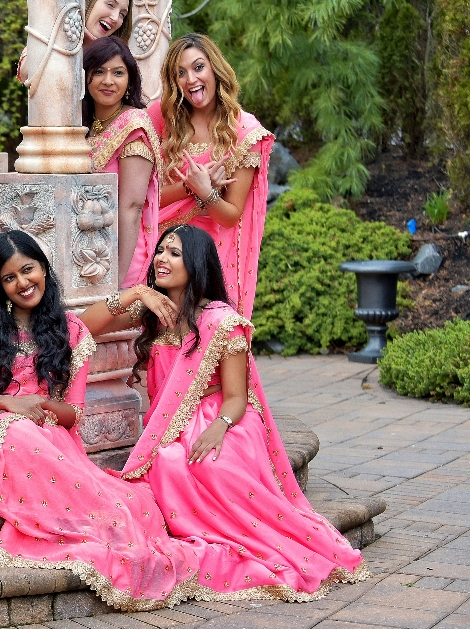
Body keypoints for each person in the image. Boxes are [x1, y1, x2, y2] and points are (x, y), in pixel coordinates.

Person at [82, 225, 368, 601]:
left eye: (175, 253)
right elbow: (84, 325)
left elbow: (237, 396)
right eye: (161, 251)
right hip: (170, 425)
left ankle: (247, 537)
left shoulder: (221, 321)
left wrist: (218, 428)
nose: (162, 260)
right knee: (168, 460)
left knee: (207, 465)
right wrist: (137, 293)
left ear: (197, 264)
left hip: (224, 416)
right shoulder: (154, 312)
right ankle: (200, 529)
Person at [0, 231, 199, 610]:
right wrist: (11, 405)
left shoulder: (71, 332)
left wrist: (38, 406)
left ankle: (106, 531)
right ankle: (93, 530)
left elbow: (72, 413)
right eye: (9, 278)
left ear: (43, 268)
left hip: (43, 428)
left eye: (28, 270)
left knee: (39, 441)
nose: (23, 283)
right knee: (20, 431)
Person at [149, 33, 273, 317]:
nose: (190, 79)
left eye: (198, 67)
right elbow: (141, 200)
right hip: (160, 248)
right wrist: (191, 188)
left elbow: (231, 215)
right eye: (180, 73)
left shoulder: (243, 131)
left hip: (211, 254)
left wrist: (207, 194)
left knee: (206, 336)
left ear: (215, 69)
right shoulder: (162, 118)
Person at [83, 36, 160, 287]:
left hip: (123, 256)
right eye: (99, 72)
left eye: (118, 72)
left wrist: (116, 277)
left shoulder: (134, 125)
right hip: (87, 251)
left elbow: (133, 206)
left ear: (129, 81)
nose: (108, 81)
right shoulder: (84, 127)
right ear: (85, 78)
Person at [18, 0, 132, 82]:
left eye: (122, 14)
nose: (115, 18)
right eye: (110, 5)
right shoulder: (52, 35)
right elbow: (27, 73)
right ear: (87, 0)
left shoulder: (117, 56)